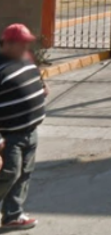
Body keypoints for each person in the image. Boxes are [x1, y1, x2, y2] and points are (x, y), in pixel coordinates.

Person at [0, 23, 47, 230]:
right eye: (22, 43)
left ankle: (13, 215)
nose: (26, 47)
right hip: (9, 136)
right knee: (8, 174)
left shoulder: (25, 59)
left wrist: (41, 88)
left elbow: (39, 82)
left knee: (24, 173)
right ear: (8, 44)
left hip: (30, 130)